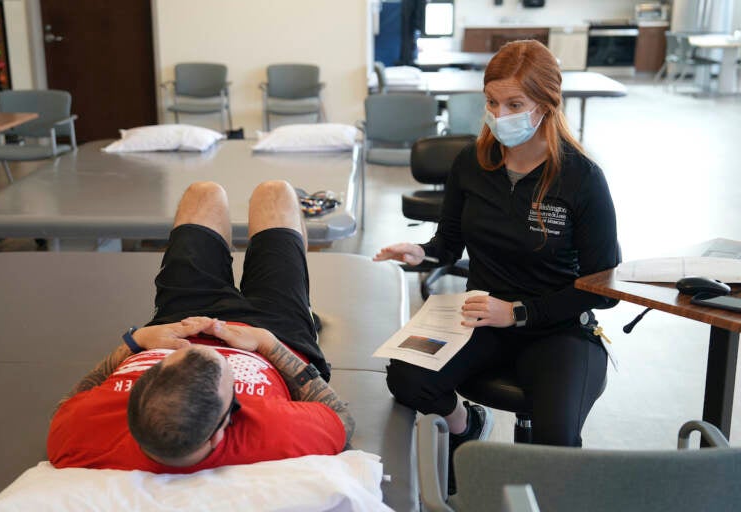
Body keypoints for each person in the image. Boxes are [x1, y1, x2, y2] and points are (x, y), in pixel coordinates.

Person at [374, 40, 619, 491]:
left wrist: (519, 313)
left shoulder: (581, 179)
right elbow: (447, 244)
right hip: (480, 317)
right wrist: (421, 253)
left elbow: (602, 288)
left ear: (546, 104)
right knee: (406, 377)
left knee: (556, 441)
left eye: (514, 104)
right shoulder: (472, 163)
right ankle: (467, 427)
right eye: (491, 101)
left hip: (557, 328)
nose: (500, 114)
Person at [48, 180, 354, 472]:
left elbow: (68, 406)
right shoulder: (268, 431)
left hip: (179, 320)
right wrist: (267, 343)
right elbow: (340, 418)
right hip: (272, 331)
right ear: (218, 434)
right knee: (275, 193)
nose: (202, 346)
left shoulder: (82, 432)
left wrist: (136, 341)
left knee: (203, 193)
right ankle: (301, 311)